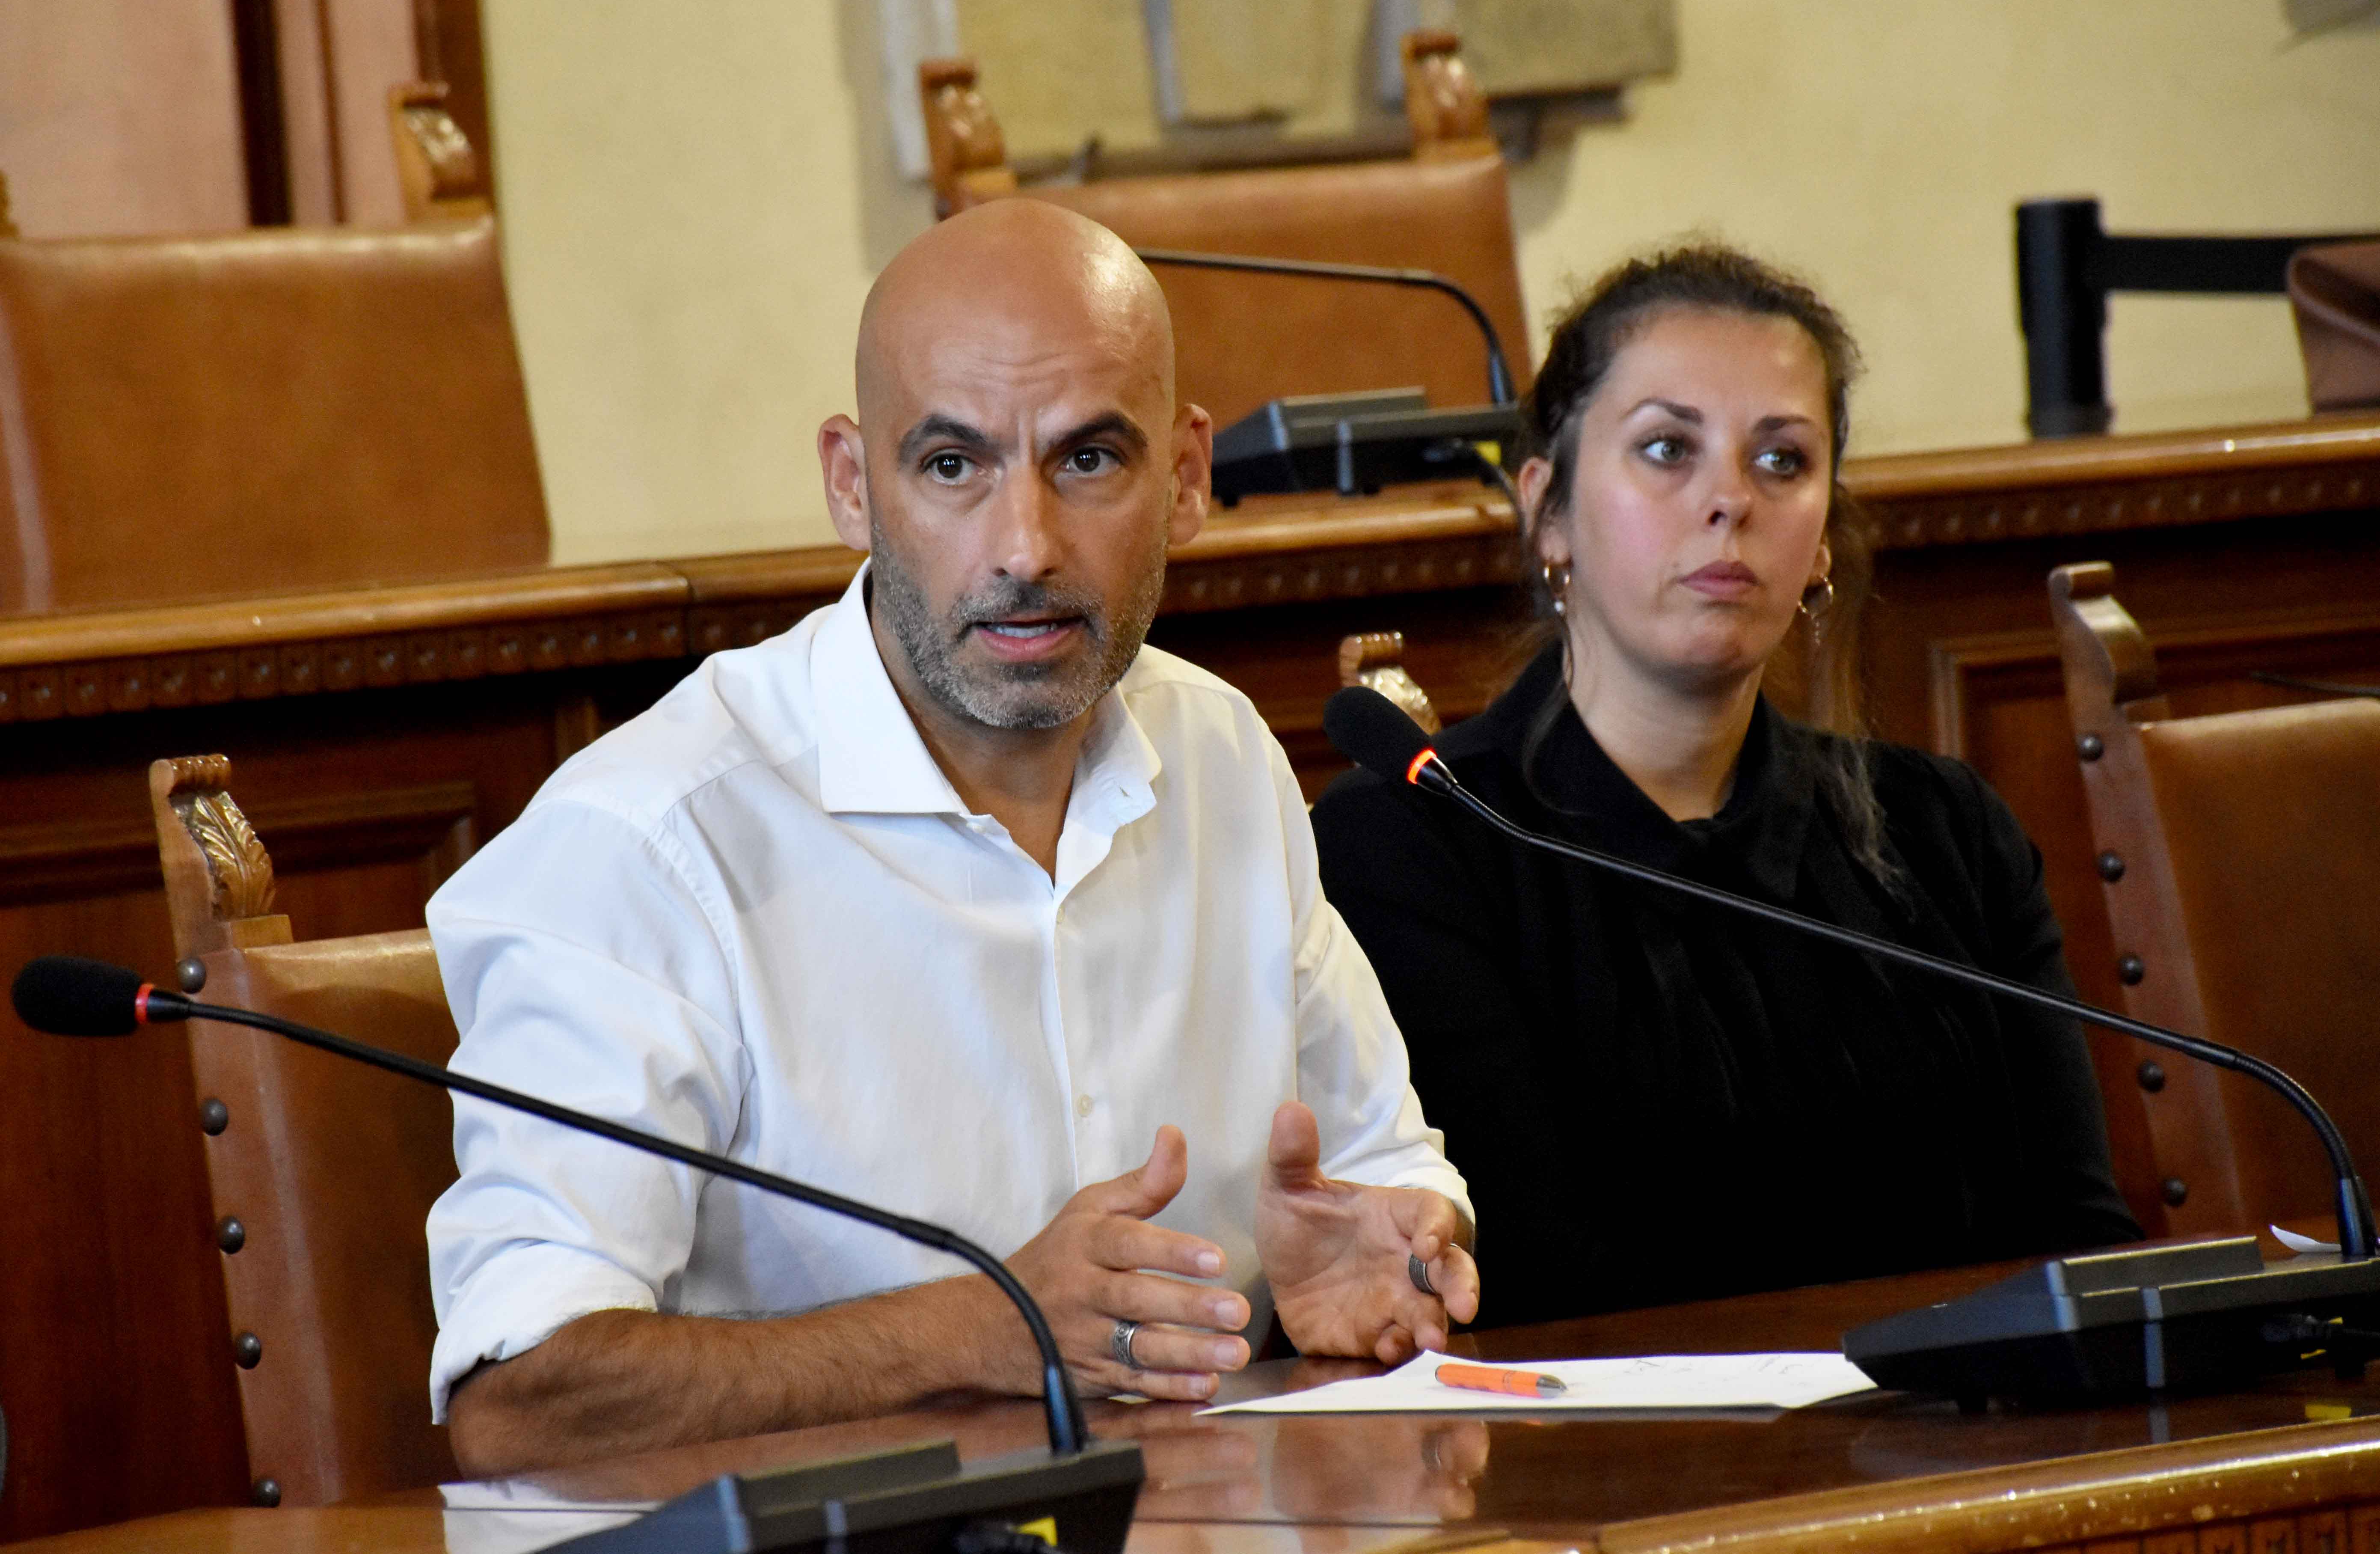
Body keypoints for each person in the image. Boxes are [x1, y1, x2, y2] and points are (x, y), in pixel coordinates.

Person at [426, 199, 1478, 1475]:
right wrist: (990, 1326)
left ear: (1188, 477)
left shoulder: (1221, 756)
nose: (1024, 548)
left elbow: (1382, 1169)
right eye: (951, 466)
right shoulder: (649, 843)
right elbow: (519, 1398)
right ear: (850, 484)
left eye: (1088, 460)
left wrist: (1383, 1256)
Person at [1311, 244, 2137, 1328]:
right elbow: (1534, 1280)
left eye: (1783, 461)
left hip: (1969, 1425)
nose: (1730, 501)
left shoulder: (1948, 834)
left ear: (1825, 538)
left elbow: (2079, 1240)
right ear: (1548, 509)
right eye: (1668, 449)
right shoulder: (1414, 845)